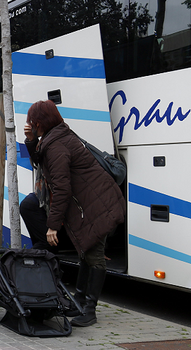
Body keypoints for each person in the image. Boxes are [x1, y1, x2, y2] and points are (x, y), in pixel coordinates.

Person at [24, 99, 125, 327]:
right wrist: (31, 141)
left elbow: (62, 188)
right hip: (96, 201)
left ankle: (89, 310)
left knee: (94, 255)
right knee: (86, 253)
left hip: (97, 205)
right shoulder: (57, 137)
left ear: (40, 122)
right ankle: (79, 303)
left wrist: (53, 225)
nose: (30, 124)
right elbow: (42, 164)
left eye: (33, 121)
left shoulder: (57, 144)